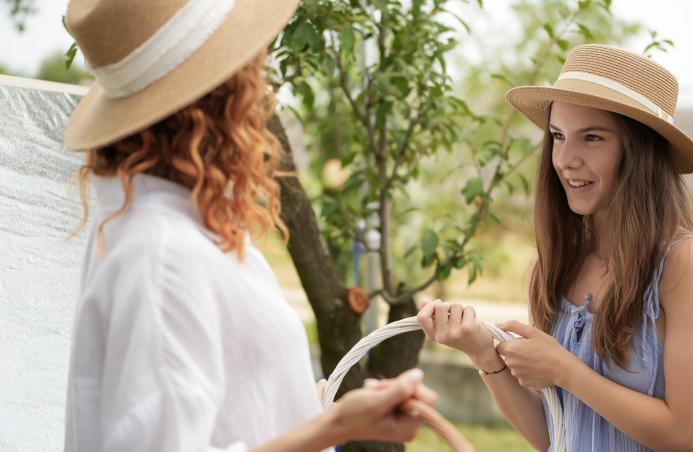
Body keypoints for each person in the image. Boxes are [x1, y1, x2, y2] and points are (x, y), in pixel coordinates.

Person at [62, 0, 436, 451]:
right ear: (221, 101)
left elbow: (230, 409)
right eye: (252, 70)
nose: (265, 92)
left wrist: (320, 410)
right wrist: (332, 429)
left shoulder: (171, 230)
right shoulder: (162, 256)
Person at [417, 44, 693, 451]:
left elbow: (688, 437)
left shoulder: (686, 263)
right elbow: (554, 435)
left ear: (639, 152)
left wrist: (566, 371)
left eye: (592, 138)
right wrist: (484, 354)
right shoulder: (559, 267)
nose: (566, 158)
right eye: (557, 136)